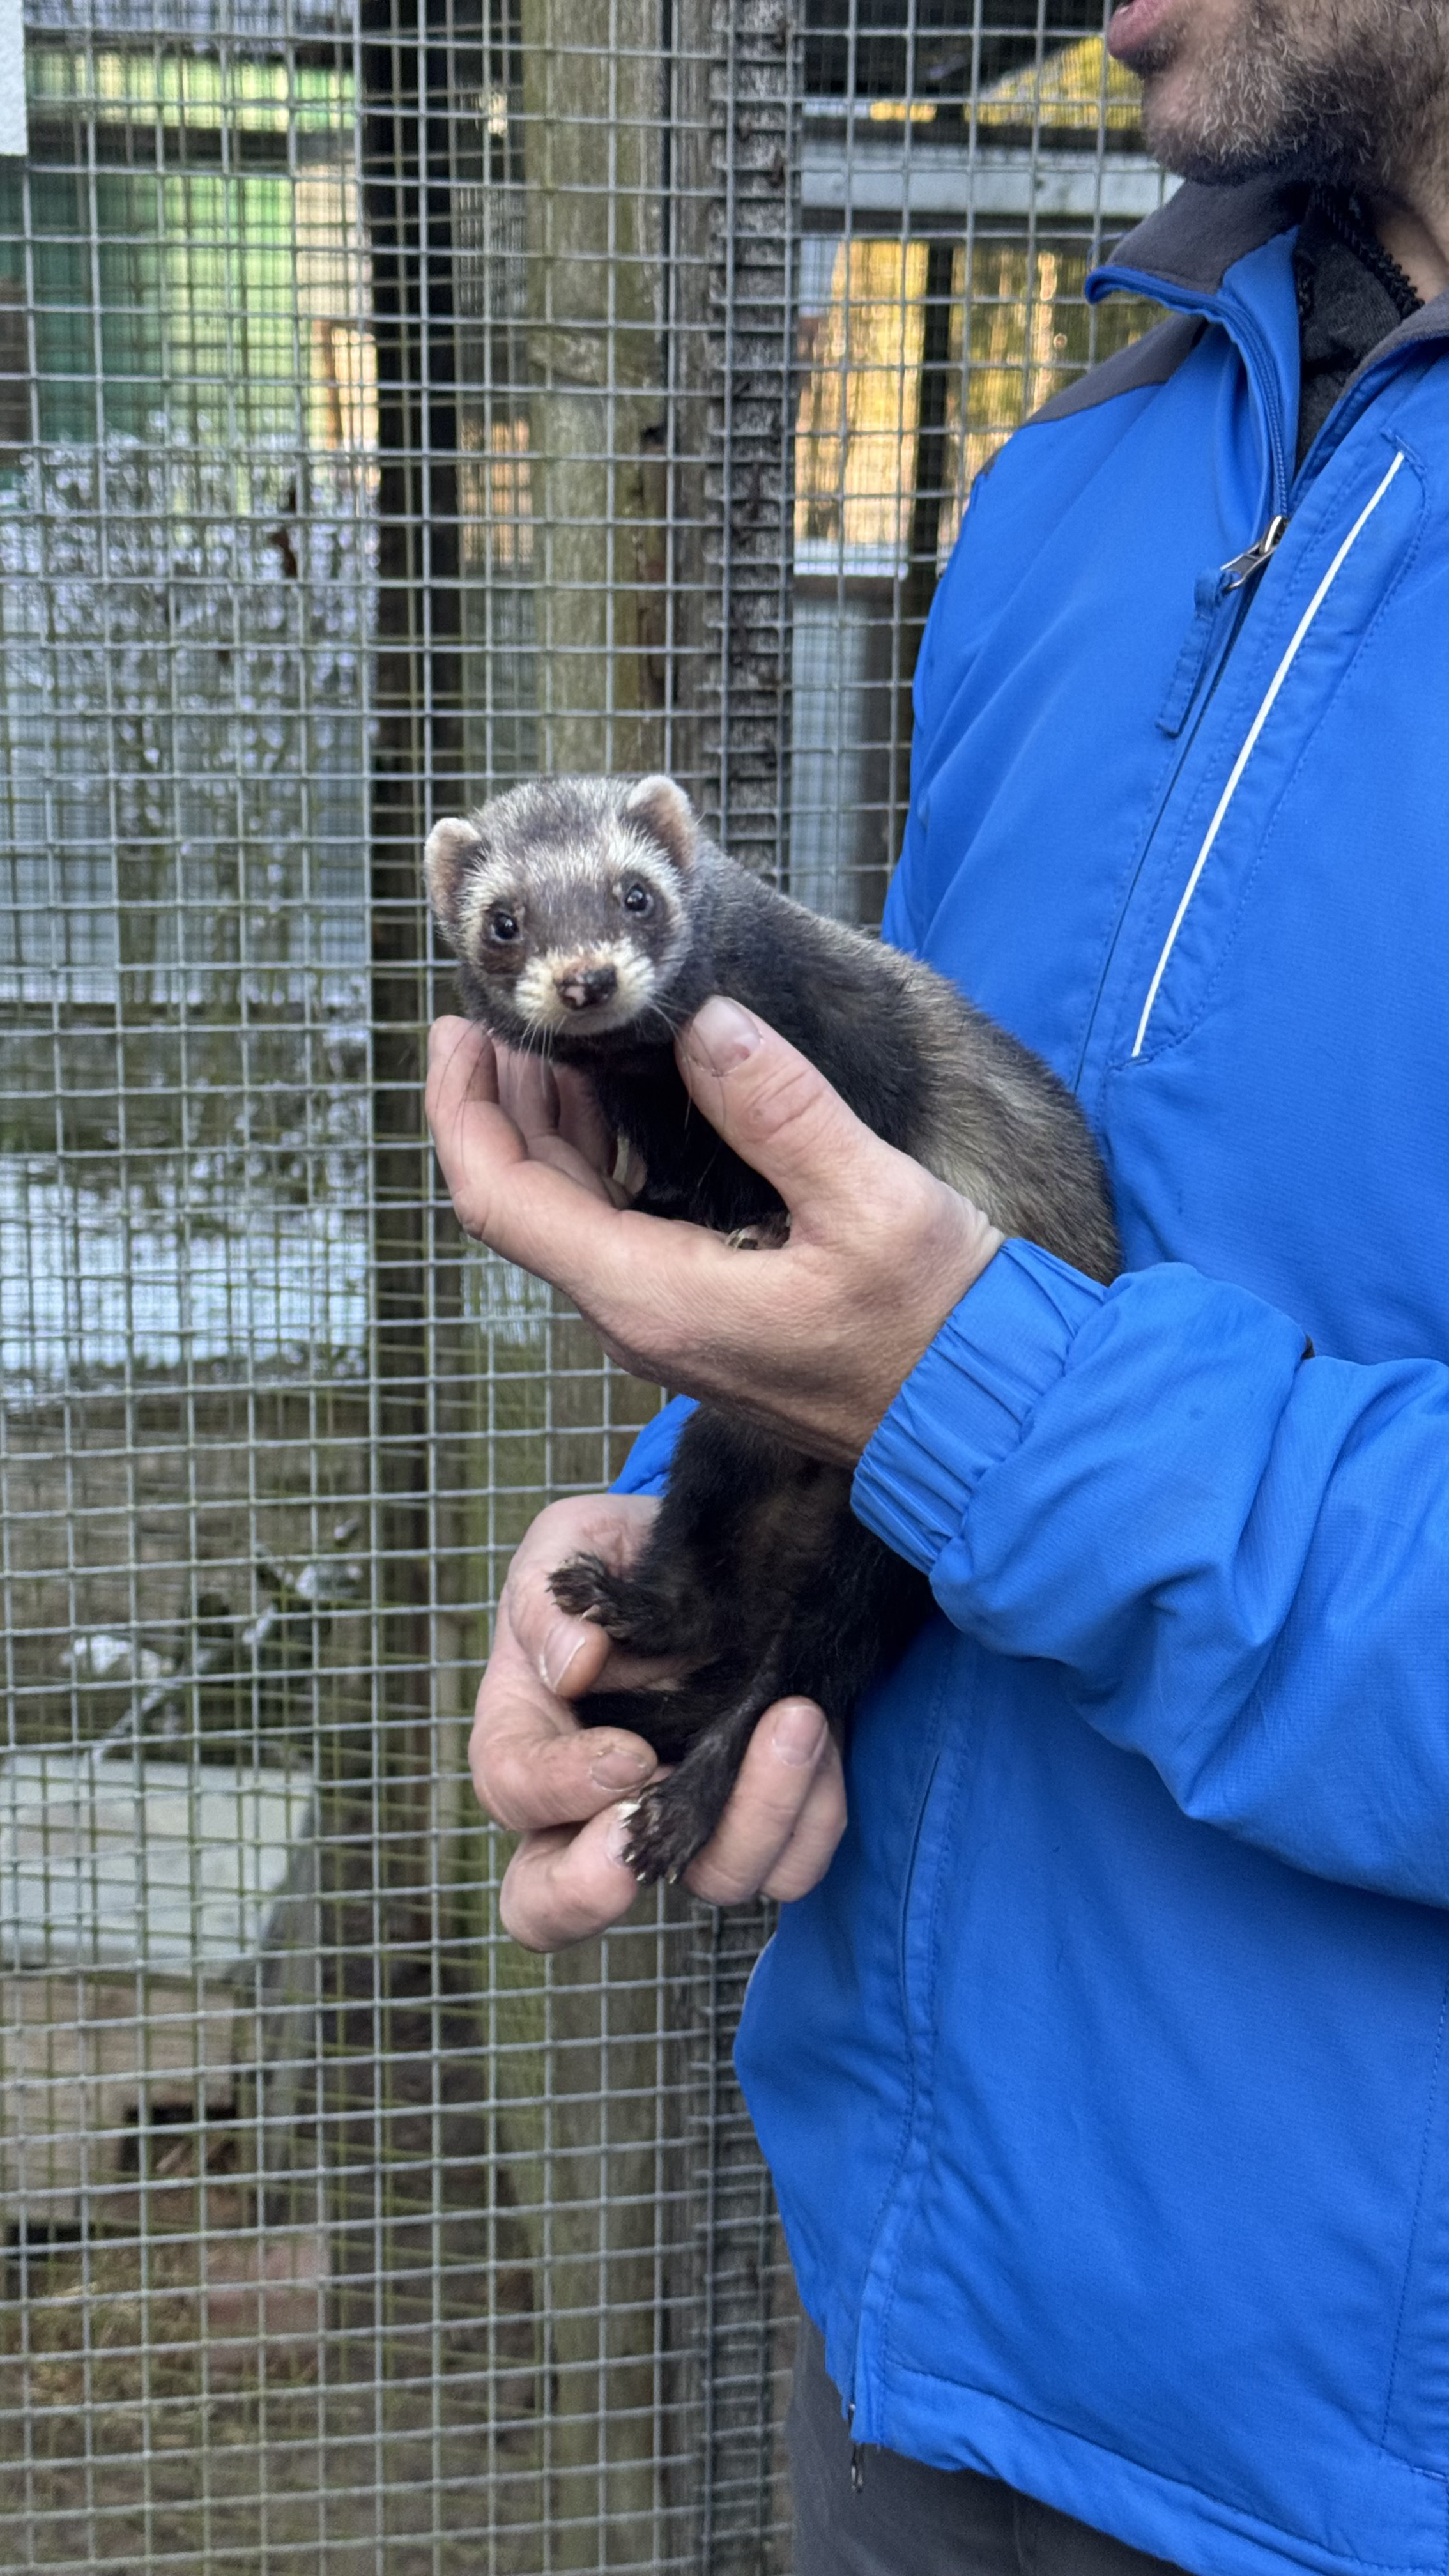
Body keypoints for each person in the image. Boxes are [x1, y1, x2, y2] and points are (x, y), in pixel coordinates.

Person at [425, 1, 1449, 2568]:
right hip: (921, 2324)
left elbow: (986, 1352)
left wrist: (971, 1402)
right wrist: (692, 1542)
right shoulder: (1078, 494)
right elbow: (924, 1209)